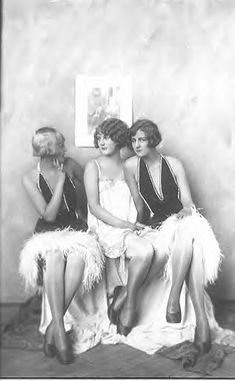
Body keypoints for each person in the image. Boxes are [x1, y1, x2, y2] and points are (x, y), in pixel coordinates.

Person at [124, 119, 223, 353]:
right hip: (159, 226)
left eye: (142, 139)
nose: (137, 144)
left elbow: (188, 202)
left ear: (153, 140)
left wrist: (184, 212)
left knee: (188, 231)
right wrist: (135, 226)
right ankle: (201, 326)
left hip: (184, 219)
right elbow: (140, 206)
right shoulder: (130, 166)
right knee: (193, 248)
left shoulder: (174, 164)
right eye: (134, 140)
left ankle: (174, 298)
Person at [19, 127, 104, 364]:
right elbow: (48, 215)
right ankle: (60, 332)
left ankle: (52, 331)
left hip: (74, 228)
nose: (66, 149)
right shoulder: (30, 177)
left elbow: (88, 194)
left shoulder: (71, 164)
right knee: (55, 257)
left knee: (77, 257)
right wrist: (60, 182)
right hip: (49, 231)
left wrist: (85, 215)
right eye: (61, 145)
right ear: (48, 151)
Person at [84, 118, 155, 337]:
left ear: (119, 139)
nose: (102, 141)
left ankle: (126, 297)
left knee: (147, 251)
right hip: (103, 227)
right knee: (136, 247)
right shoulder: (92, 166)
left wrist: (140, 221)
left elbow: (139, 202)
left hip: (126, 228)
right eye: (100, 137)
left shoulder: (129, 166)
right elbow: (94, 208)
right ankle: (123, 300)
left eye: (108, 136)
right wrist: (126, 224)